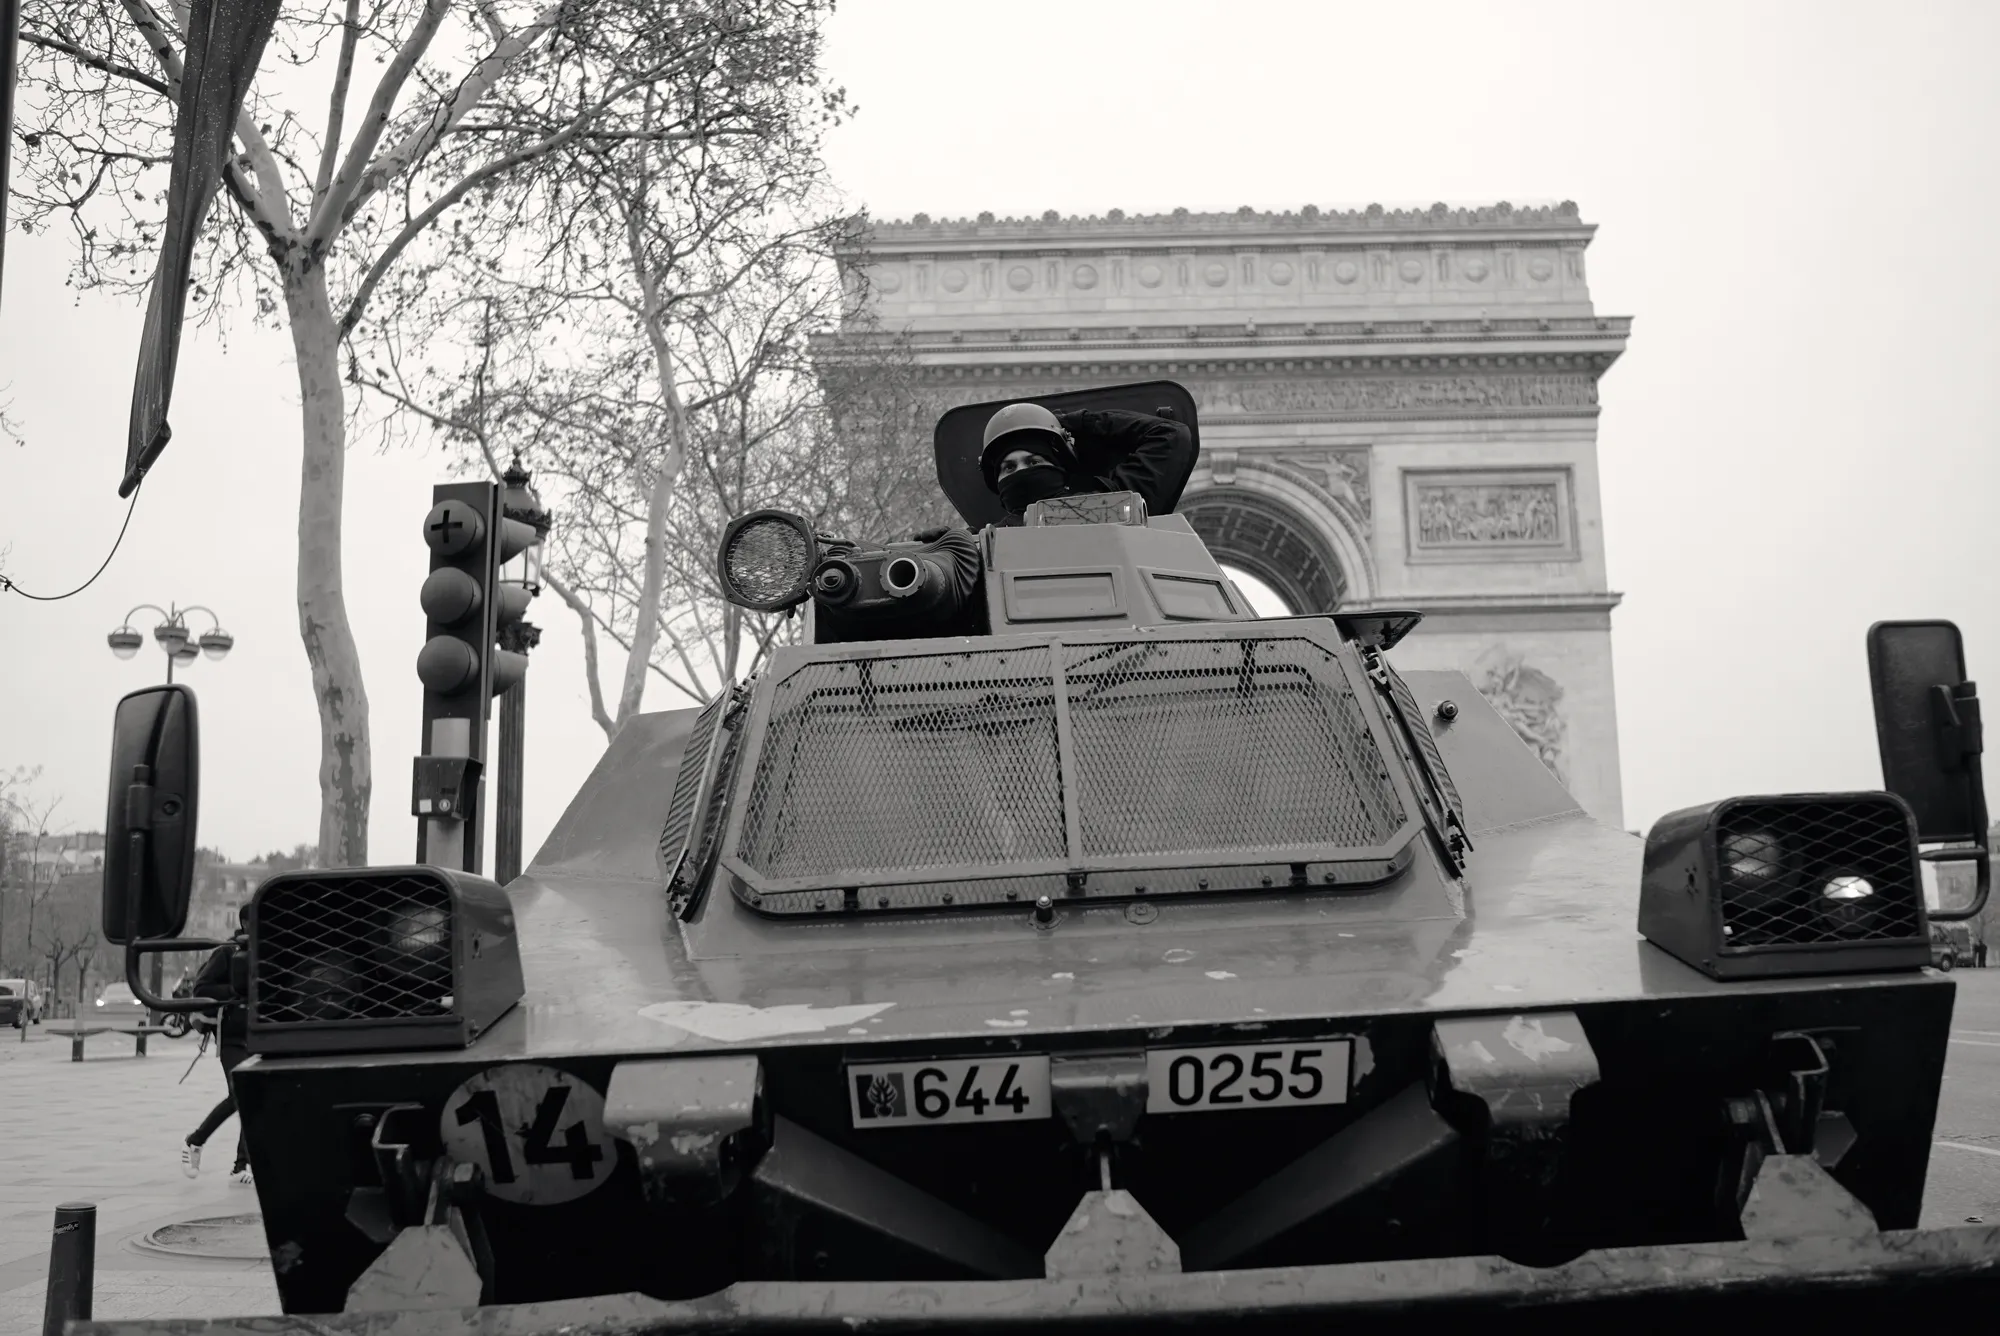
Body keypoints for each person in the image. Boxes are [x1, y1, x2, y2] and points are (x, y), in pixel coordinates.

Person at [977, 403, 1198, 520]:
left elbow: (1169, 436)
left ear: (1059, 467)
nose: (1021, 473)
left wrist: (1076, 423)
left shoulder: (1111, 508)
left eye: (1034, 462)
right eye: (1009, 467)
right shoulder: (980, 539)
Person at [182, 905, 252, 1185]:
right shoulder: (227, 952)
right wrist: (236, 990)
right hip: (233, 1037)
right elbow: (202, 989)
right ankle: (195, 1141)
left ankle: (240, 1166)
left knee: (253, 1097)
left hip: (261, 1035)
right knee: (240, 1094)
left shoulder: (270, 952)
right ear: (246, 923)